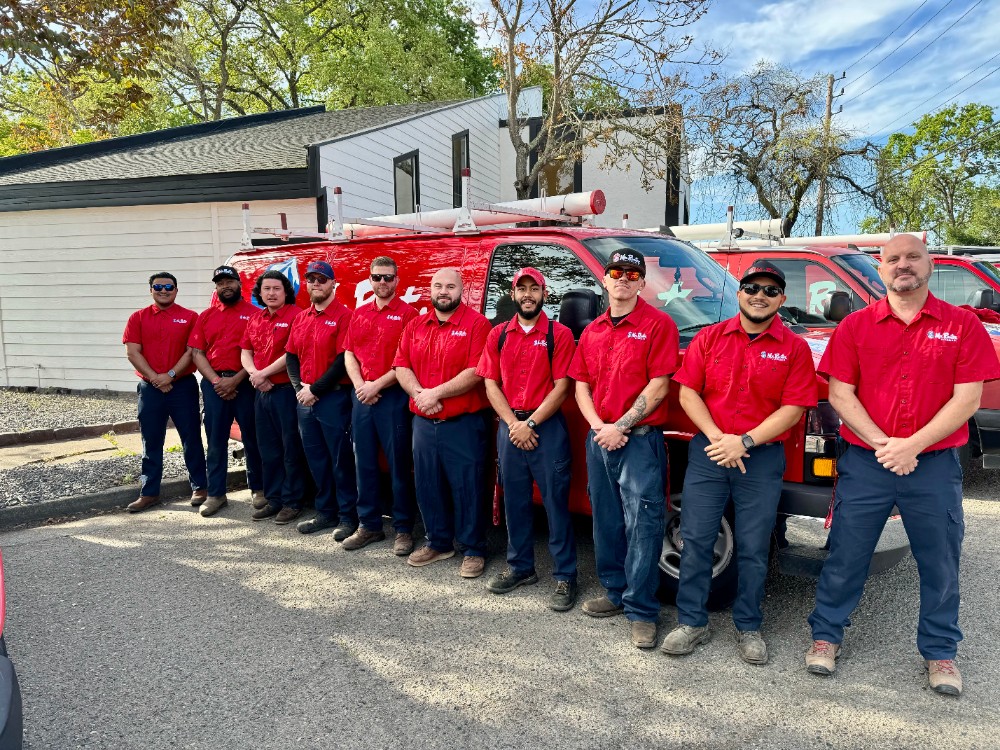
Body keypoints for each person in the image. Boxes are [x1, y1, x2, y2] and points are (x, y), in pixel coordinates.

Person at [806, 234, 1000, 697]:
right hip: (868, 464)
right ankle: (826, 636)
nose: (903, 266)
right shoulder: (855, 326)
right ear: (881, 267)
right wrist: (884, 444)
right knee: (847, 553)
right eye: (893, 259)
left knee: (940, 560)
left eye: (913, 257)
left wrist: (911, 445)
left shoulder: (962, 326)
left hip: (932, 465)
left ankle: (940, 652)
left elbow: (967, 398)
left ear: (930, 265)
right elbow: (840, 394)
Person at [662, 263, 818, 664]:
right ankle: (691, 623)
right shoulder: (710, 338)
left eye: (770, 290)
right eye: (751, 287)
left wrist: (745, 441)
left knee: (752, 547)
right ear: (739, 293)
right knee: (695, 540)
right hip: (710, 454)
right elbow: (688, 394)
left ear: (781, 299)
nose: (759, 295)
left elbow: (795, 407)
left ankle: (749, 626)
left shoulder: (794, 348)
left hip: (761, 458)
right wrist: (719, 438)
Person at [569, 250, 679, 649]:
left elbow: (659, 384)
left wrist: (621, 426)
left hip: (638, 441)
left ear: (641, 282)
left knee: (644, 526)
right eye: (616, 272)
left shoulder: (658, 325)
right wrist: (600, 426)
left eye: (632, 274)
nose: (623, 279)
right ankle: (615, 593)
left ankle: (642, 611)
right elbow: (581, 384)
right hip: (600, 439)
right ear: (605, 278)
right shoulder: (594, 329)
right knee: (606, 521)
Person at [477, 267, 579, 610]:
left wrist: (530, 424)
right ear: (513, 294)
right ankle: (520, 567)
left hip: (545, 428)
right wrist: (511, 424)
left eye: (533, 288)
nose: (527, 294)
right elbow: (490, 382)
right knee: (514, 501)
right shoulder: (498, 334)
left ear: (543, 294)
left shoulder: (559, 334)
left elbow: (563, 385)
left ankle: (565, 576)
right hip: (510, 428)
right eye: (521, 288)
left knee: (555, 503)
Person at [394, 268, 492, 578]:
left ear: (462, 290)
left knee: (468, 487)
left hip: (463, 423)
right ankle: (438, 542)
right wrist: (420, 395)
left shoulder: (477, 325)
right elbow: (401, 365)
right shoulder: (415, 326)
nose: (443, 291)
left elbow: (477, 370)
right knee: (427, 484)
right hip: (424, 422)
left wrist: (434, 393)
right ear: (430, 289)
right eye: (438, 285)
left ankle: (473, 548)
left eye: (450, 286)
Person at [342, 257, 419, 555]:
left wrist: (376, 385)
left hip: (393, 399)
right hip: (362, 398)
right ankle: (369, 525)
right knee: (364, 465)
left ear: (397, 280)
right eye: (377, 277)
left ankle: (402, 529)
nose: (383, 283)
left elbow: (407, 361)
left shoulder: (409, 315)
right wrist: (361, 385)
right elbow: (349, 354)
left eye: (388, 278)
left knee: (399, 466)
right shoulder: (358, 314)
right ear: (370, 280)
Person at [285, 260, 359, 540]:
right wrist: (298, 389)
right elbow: (291, 355)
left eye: (322, 279)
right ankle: (325, 512)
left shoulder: (344, 316)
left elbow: (342, 360)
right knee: (316, 459)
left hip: (333, 399)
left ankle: (347, 516)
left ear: (333, 284)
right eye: (311, 279)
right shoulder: (302, 317)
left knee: (340, 460)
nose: (316, 284)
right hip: (304, 399)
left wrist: (314, 390)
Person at [122, 272, 207, 512]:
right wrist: (155, 379)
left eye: (168, 286)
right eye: (158, 286)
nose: (163, 290)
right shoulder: (137, 318)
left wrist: (169, 376)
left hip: (182, 386)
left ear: (176, 290)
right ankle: (149, 492)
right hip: (150, 389)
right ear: (151, 290)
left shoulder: (190, 317)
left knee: (191, 438)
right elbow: (133, 352)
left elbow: (192, 351)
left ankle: (200, 486)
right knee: (151, 440)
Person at [189, 265, 265, 517]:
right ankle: (216, 494)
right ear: (216, 287)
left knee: (252, 438)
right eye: (220, 283)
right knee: (216, 440)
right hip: (214, 385)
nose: (225, 287)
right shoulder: (206, 316)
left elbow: (258, 353)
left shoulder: (256, 314)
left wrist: (236, 380)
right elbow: (197, 353)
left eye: (229, 282)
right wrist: (216, 382)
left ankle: (258, 489)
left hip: (245, 383)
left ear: (239, 284)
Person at [239, 270, 306, 525]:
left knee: (291, 449)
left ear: (286, 291)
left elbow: (292, 352)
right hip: (262, 392)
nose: (271, 293)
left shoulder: (297, 316)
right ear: (260, 292)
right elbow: (246, 350)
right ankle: (274, 498)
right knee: (268, 449)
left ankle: (292, 502)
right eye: (266, 288)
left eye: (276, 288)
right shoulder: (256, 319)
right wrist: (255, 374)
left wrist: (263, 374)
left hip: (286, 392)